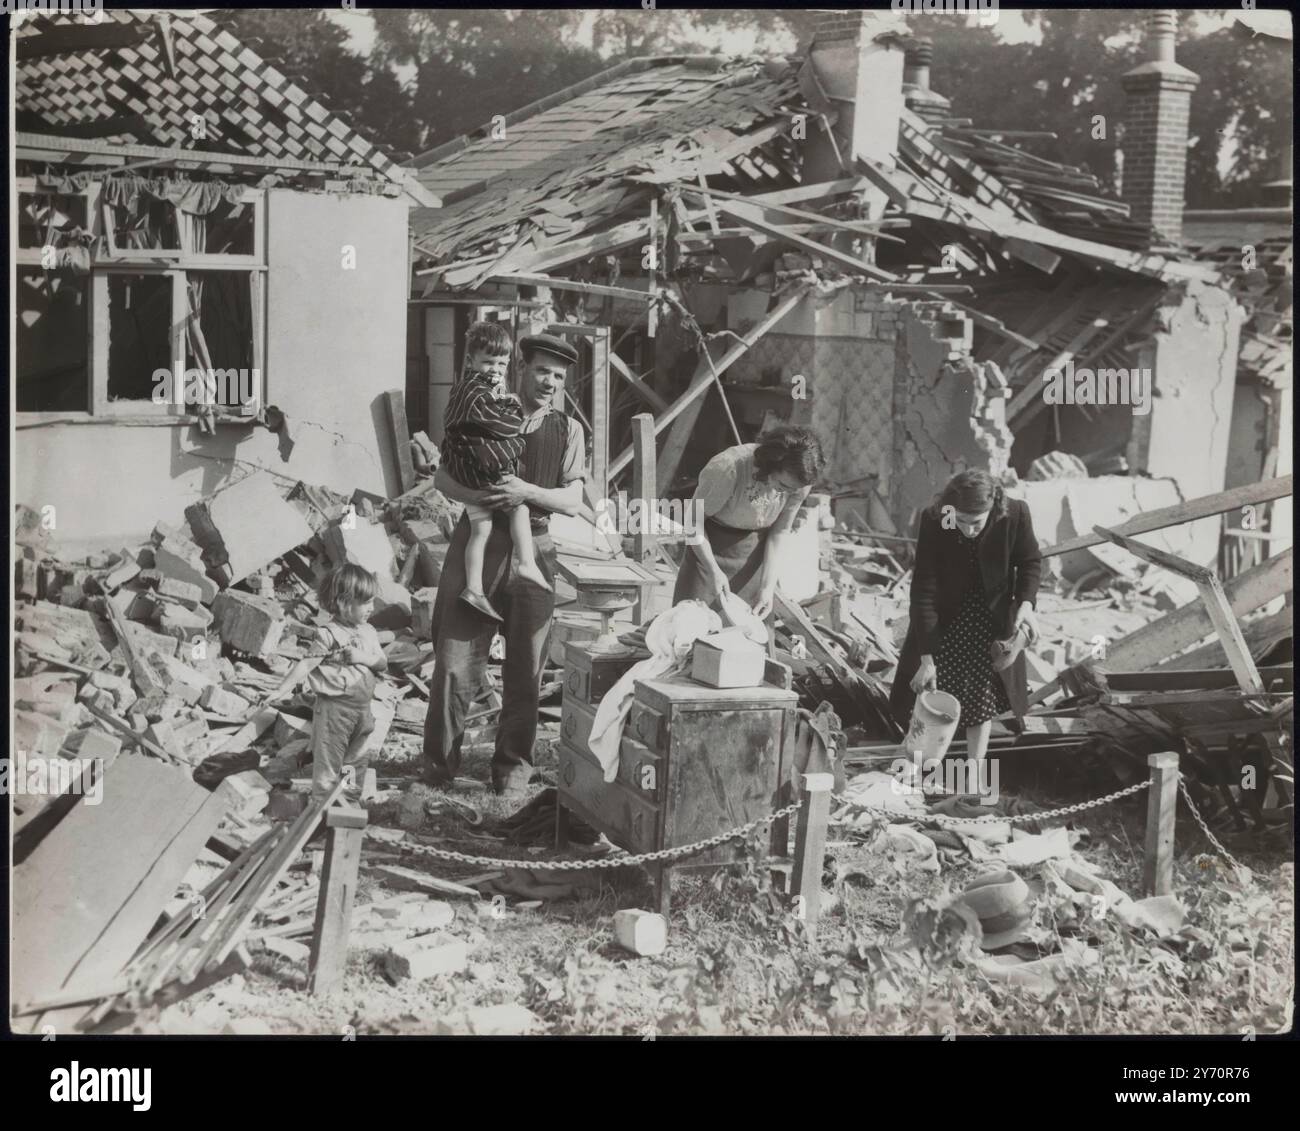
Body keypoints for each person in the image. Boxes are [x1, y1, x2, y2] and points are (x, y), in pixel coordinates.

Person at [422, 333, 586, 797]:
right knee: (454, 663)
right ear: (521, 369)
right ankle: (438, 769)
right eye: (541, 371)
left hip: (535, 548)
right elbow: (442, 477)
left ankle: (512, 771)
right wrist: (484, 497)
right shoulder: (486, 405)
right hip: (479, 544)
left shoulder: (568, 429)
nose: (549, 382)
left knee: (526, 671)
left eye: (558, 376)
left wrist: (526, 494)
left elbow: (573, 500)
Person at [890, 469, 1041, 765]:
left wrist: (1026, 604)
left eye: (975, 523)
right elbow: (924, 589)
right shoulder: (939, 519)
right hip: (946, 619)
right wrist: (927, 659)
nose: (967, 530)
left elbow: (1030, 563)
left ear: (993, 508)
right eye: (960, 521)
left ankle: (973, 770)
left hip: (991, 620)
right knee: (929, 691)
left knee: (980, 698)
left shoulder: (1013, 514)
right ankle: (918, 765)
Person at [440, 322, 551, 622]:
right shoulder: (472, 390)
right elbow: (499, 425)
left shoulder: (483, 387)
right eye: (488, 362)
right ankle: (527, 562)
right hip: (476, 467)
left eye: (500, 363)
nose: (494, 369)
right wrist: (513, 408)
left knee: (482, 529)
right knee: (519, 507)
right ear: (470, 361)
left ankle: (474, 589)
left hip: (468, 469)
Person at [674, 425, 825, 619]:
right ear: (771, 466)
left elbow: (780, 531)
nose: (787, 493)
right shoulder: (728, 467)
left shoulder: (799, 481)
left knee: (746, 635)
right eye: (782, 485)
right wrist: (712, 570)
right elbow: (692, 521)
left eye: (792, 489)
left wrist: (767, 586)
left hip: (754, 555)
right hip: (708, 547)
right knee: (690, 626)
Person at [306, 563, 388, 805]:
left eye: (372, 601)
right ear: (343, 603)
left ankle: (347, 804)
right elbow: (307, 664)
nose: (372, 608)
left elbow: (382, 663)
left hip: (362, 711)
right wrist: (281, 688)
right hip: (334, 711)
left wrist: (363, 658)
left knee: (355, 761)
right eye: (365, 602)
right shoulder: (328, 634)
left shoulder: (369, 631)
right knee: (329, 762)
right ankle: (320, 809)